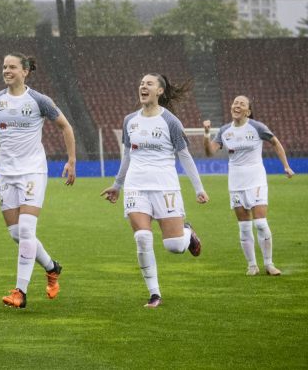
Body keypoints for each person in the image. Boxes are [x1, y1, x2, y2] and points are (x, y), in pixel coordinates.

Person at [0, 53, 76, 310]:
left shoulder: (39, 100)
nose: (6, 70)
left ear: (25, 72)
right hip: (6, 173)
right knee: (16, 234)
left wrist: (71, 161)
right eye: (4, 67)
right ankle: (52, 267)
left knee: (26, 231)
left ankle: (20, 292)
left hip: (33, 172)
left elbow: (65, 126)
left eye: (12, 67)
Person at [100, 74, 208, 308]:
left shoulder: (170, 121)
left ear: (160, 90)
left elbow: (185, 156)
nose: (143, 86)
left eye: (149, 83)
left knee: (175, 246)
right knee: (142, 237)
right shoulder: (130, 120)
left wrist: (199, 188)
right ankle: (154, 293)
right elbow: (128, 155)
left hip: (165, 187)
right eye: (141, 83)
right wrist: (117, 185)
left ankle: (187, 233)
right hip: (136, 187)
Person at [202, 95, 295, 276]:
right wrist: (206, 134)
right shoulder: (224, 131)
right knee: (244, 227)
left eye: (242, 103)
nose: (237, 105)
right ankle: (252, 265)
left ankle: (269, 264)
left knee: (260, 223)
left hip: (256, 179)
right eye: (235, 102)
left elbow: (275, 142)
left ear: (248, 111)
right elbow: (209, 152)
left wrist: (286, 165)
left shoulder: (257, 127)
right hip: (236, 182)